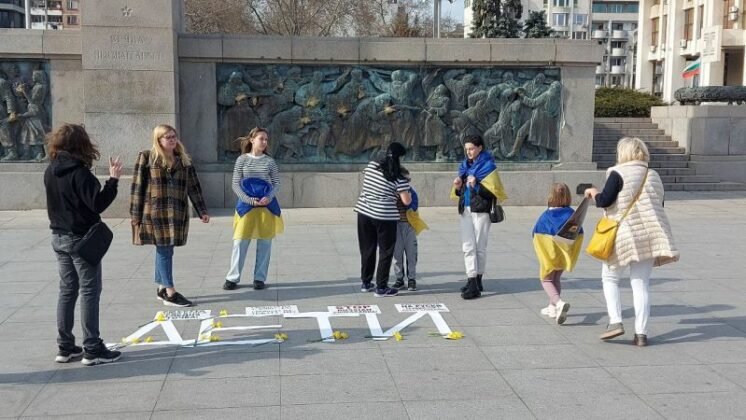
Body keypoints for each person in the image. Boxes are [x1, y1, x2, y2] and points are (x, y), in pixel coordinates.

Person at [584, 137, 679, 346]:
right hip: (648, 236)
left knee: (610, 278)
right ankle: (641, 334)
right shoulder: (652, 175)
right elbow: (659, 204)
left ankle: (615, 322)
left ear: (623, 154)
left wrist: (593, 193)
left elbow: (605, 201)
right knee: (641, 283)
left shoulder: (618, 173)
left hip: (623, 235)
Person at [44, 123, 123, 365]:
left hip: (58, 236)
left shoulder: (50, 170)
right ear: (82, 144)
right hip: (80, 239)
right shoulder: (80, 173)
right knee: (90, 291)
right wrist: (113, 180)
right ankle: (92, 348)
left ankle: (65, 346)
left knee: (67, 291)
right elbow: (97, 204)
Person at [130, 124, 210, 307]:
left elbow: (194, 187)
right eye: (168, 137)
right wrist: (135, 214)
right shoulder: (147, 157)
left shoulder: (183, 159)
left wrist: (202, 211)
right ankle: (170, 292)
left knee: (166, 249)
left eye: (174, 136)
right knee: (164, 250)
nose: (172, 139)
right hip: (155, 213)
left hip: (177, 212)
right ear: (158, 140)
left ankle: (161, 288)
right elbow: (137, 187)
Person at [223, 127, 283, 291]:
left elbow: (277, 183)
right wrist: (249, 200)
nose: (264, 142)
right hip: (246, 207)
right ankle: (232, 277)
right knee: (240, 241)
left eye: (266, 139)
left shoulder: (269, 161)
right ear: (252, 140)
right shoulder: (242, 160)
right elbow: (235, 184)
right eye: (261, 138)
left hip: (265, 207)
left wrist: (268, 198)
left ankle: (259, 278)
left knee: (265, 243)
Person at [452, 134, 507, 300]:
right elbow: (462, 191)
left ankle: (477, 280)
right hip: (466, 208)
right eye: (467, 149)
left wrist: (477, 185)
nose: (468, 152)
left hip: (481, 210)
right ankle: (472, 280)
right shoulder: (464, 166)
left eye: (471, 149)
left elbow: (493, 193)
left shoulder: (489, 166)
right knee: (468, 246)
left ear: (480, 148)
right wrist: (458, 187)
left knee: (479, 246)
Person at [354, 142, 412, 297]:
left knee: (367, 249)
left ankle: (366, 283)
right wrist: (408, 189)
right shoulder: (399, 178)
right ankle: (381, 287)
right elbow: (406, 201)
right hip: (385, 216)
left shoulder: (371, 166)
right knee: (386, 252)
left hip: (364, 212)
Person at [532, 183, 584, 325]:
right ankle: (552, 308)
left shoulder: (547, 215)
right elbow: (579, 233)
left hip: (550, 255)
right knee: (556, 279)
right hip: (564, 255)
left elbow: (537, 233)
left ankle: (559, 303)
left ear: (551, 196)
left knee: (546, 279)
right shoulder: (572, 215)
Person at [392, 168, 428, 291]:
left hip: (409, 226)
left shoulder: (411, 192)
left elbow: (413, 204)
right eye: (405, 180)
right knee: (397, 254)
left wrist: (405, 199)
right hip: (395, 226)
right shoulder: (392, 192)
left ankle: (411, 278)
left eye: (409, 180)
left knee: (411, 254)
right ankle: (399, 279)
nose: (408, 182)